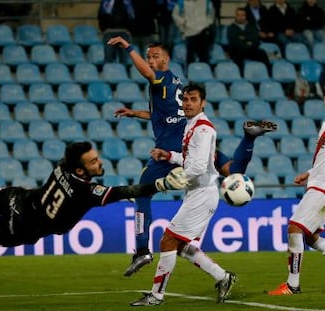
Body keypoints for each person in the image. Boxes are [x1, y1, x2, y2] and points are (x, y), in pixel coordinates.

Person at [108, 35, 278, 277]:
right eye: (148, 57)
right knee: (232, 170)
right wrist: (135, 113)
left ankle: (142, 249)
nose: (150, 61)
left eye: (155, 56)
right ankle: (249, 137)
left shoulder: (161, 78)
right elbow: (165, 115)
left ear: (165, 59)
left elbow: (147, 73)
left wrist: (128, 47)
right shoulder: (176, 82)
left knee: (141, 193)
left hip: (171, 148)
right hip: (191, 140)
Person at [0, 141, 188, 249]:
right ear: (81, 169)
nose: (99, 163)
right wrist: (161, 185)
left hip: (19, 199)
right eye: (93, 162)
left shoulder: (63, 166)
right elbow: (128, 191)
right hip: (23, 226)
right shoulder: (87, 191)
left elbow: (118, 191)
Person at [130, 83, 236, 306]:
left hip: (203, 193)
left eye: (193, 99)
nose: (188, 103)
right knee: (181, 246)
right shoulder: (192, 125)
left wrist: (171, 181)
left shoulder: (204, 129)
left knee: (167, 240)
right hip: (197, 193)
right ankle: (223, 277)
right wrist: (168, 155)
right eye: (185, 99)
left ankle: (156, 295)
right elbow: (190, 160)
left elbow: (197, 168)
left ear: (203, 103)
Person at [268, 96, 325, 295]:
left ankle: (292, 285)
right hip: (318, 183)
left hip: (322, 188)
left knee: (295, 229)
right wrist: (310, 173)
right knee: (310, 237)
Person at [172, 0, 219, 68]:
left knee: (204, 57)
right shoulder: (182, 2)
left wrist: (206, 23)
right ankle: (190, 75)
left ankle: (205, 73)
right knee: (190, 57)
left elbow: (211, 15)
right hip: (189, 32)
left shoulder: (207, 2)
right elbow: (175, 15)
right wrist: (184, 22)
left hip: (203, 32)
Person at [227, 7, 271, 74]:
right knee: (238, 57)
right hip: (237, 51)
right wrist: (247, 41)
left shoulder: (251, 27)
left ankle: (268, 74)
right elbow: (234, 42)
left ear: (246, 16)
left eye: (243, 15)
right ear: (235, 16)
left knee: (262, 53)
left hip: (250, 50)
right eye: (238, 15)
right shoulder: (231, 28)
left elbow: (256, 40)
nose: (241, 17)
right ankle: (241, 77)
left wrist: (243, 39)